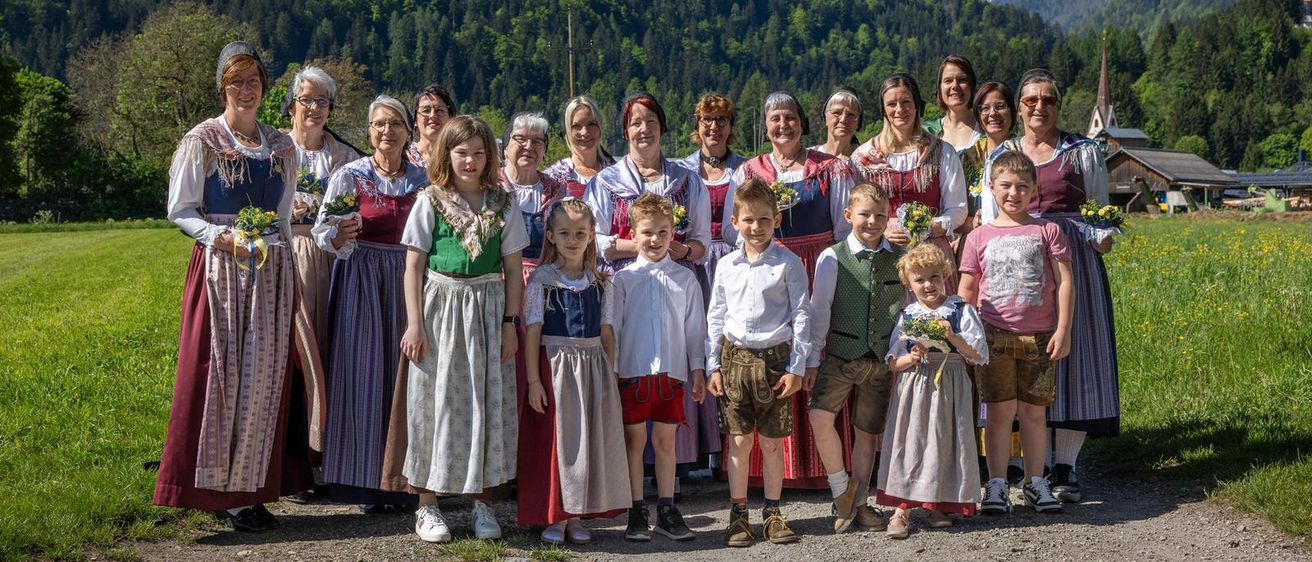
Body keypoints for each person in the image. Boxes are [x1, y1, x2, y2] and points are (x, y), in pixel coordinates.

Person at [155, 40, 311, 532]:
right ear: (222, 87)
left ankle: (249, 489)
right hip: (222, 270)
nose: (245, 90)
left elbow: (284, 217)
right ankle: (215, 489)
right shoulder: (202, 140)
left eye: (254, 82)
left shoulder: (282, 146)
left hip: (271, 272)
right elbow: (180, 211)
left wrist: (286, 266)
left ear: (264, 88)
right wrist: (220, 237)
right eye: (235, 82)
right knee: (223, 376)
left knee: (263, 381)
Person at [986, 69, 1119, 503]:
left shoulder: (1083, 150)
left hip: (1071, 263)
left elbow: (1099, 209)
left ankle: (1067, 467)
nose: (1039, 107)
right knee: (1021, 356)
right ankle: (1027, 468)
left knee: (1073, 358)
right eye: (1030, 100)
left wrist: (1102, 235)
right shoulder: (1003, 154)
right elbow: (991, 216)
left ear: (1058, 105)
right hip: (1016, 263)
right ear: (1019, 107)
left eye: (1048, 100)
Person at [398, 115, 527, 543]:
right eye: (461, 152)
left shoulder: (503, 204)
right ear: (446, 155)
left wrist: (511, 324)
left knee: (486, 401)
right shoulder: (430, 201)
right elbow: (413, 266)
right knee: (434, 404)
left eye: (478, 152)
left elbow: (512, 269)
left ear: (490, 156)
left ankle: (483, 503)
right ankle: (428, 505)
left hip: (489, 311)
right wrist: (415, 323)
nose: (470, 161)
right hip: (440, 309)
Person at [723, 91, 858, 490]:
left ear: (803, 122)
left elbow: (843, 229)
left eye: (790, 117)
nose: (783, 126)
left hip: (817, 268)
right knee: (768, 359)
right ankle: (776, 471)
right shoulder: (750, 172)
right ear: (765, 126)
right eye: (775, 119)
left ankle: (821, 468)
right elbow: (738, 231)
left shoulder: (830, 169)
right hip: (767, 270)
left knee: (813, 354)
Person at [311, 95, 426, 511]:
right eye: (378, 124)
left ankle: (407, 479)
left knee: (407, 379)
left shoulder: (425, 180)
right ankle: (365, 483)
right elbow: (323, 231)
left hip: (412, 280)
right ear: (369, 131)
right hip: (362, 280)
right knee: (362, 374)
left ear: (408, 131)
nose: (386, 132)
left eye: (395, 124)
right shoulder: (351, 176)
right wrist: (340, 235)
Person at [958, 150, 1073, 514]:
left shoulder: (1048, 230)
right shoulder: (978, 236)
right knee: (999, 413)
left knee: (1035, 413)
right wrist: (966, 337)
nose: (1014, 193)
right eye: (1005, 185)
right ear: (991, 188)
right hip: (994, 339)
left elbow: (1065, 281)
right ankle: (995, 484)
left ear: (1034, 189)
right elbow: (966, 291)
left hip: (1040, 338)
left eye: (1023, 186)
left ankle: (1035, 481)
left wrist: (1064, 329)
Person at [518, 199, 630, 544]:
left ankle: (578, 516)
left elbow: (608, 332)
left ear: (591, 235)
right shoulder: (542, 280)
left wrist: (612, 373)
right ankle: (556, 515)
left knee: (587, 443)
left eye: (580, 233)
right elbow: (533, 332)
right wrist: (535, 381)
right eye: (564, 233)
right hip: (555, 369)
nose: (572, 239)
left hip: (593, 368)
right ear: (550, 235)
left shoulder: (601, 282)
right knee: (560, 444)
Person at [706, 178, 809, 548]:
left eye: (764, 219)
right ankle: (737, 515)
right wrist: (712, 366)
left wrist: (797, 367)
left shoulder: (788, 263)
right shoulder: (727, 265)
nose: (756, 227)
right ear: (734, 222)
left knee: (770, 443)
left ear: (776, 220)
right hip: (734, 360)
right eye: (748, 220)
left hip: (775, 361)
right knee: (738, 440)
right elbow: (716, 316)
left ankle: (773, 512)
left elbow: (802, 317)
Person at [608, 192, 707, 542]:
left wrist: (697, 369)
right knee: (634, 441)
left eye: (663, 232)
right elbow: (613, 329)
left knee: (666, 441)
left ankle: (666, 508)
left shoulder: (685, 279)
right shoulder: (622, 280)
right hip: (632, 373)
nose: (655, 240)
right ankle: (636, 510)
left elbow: (696, 330)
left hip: (671, 374)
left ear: (672, 234)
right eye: (647, 232)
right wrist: (614, 369)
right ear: (634, 233)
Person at [281, 65, 359, 500]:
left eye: (322, 101)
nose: (314, 108)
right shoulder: (274, 148)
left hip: (332, 261)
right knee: (295, 356)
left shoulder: (343, 157)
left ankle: (329, 456)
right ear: (292, 104)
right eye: (307, 100)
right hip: (286, 254)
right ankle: (293, 462)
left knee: (330, 352)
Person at [807, 183, 904, 533]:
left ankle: (860, 504)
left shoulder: (898, 258)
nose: (873, 221)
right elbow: (820, 310)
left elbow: (904, 312)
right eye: (865, 214)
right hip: (840, 355)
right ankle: (841, 491)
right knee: (820, 417)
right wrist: (811, 359)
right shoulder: (833, 257)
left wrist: (897, 352)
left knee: (867, 434)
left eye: (880, 215)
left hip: (880, 360)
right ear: (849, 215)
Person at [877, 244, 988, 539]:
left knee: (944, 439)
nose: (928, 285)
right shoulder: (907, 314)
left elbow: (977, 353)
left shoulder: (960, 310)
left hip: (949, 378)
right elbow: (892, 360)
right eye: (920, 280)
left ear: (946, 276)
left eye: (935, 277)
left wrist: (951, 336)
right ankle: (902, 508)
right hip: (914, 383)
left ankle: (937, 503)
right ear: (909, 284)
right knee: (913, 440)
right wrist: (910, 358)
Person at [851, 74, 967, 294]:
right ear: (883, 110)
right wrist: (881, 230)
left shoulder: (941, 152)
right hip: (883, 252)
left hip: (931, 255)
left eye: (906, 102)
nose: (899, 110)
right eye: (891, 104)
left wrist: (929, 228)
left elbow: (958, 208)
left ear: (916, 106)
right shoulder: (864, 157)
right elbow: (855, 211)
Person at [681, 93, 746, 282]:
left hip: (735, 258)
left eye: (721, 120)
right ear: (697, 125)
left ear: (730, 126)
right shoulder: (682, 172)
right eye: (707, 119)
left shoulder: (746, 169)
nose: (714, 127)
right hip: (692, 258)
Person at [500, 111, 566, 277]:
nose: (529, 146)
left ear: (544, 151)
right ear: (506, 147)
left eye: (537, 141)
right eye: (520, 138)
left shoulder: (556, 192)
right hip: (498, 281)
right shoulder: (489, 186)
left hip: (545, 283)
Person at [544, 95, 614, 198]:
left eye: (591, 124)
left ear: (600, 128)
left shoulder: (615, 174)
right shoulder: (553, 178)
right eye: (576, 126)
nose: (585, 132)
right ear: (567, 132)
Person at [924, 55, 983, 151]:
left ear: (972, 86)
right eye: (948, 81)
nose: (955, 86)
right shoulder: (928, 132)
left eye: (962, 80)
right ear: (940, 88)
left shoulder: (985, 130)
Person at [406, 85, 455, 169]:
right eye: (426, 110)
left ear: (450, 117)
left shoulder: (459, 157)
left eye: (440, 110)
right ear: (415, 119)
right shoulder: (403, 158)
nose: (433, 116)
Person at [811, 88, 863, 159]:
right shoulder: (809, 158)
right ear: (826, 117)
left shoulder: (867, 161)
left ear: (858, 122)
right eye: (837, 113)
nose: (843, 120)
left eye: (851, 115)